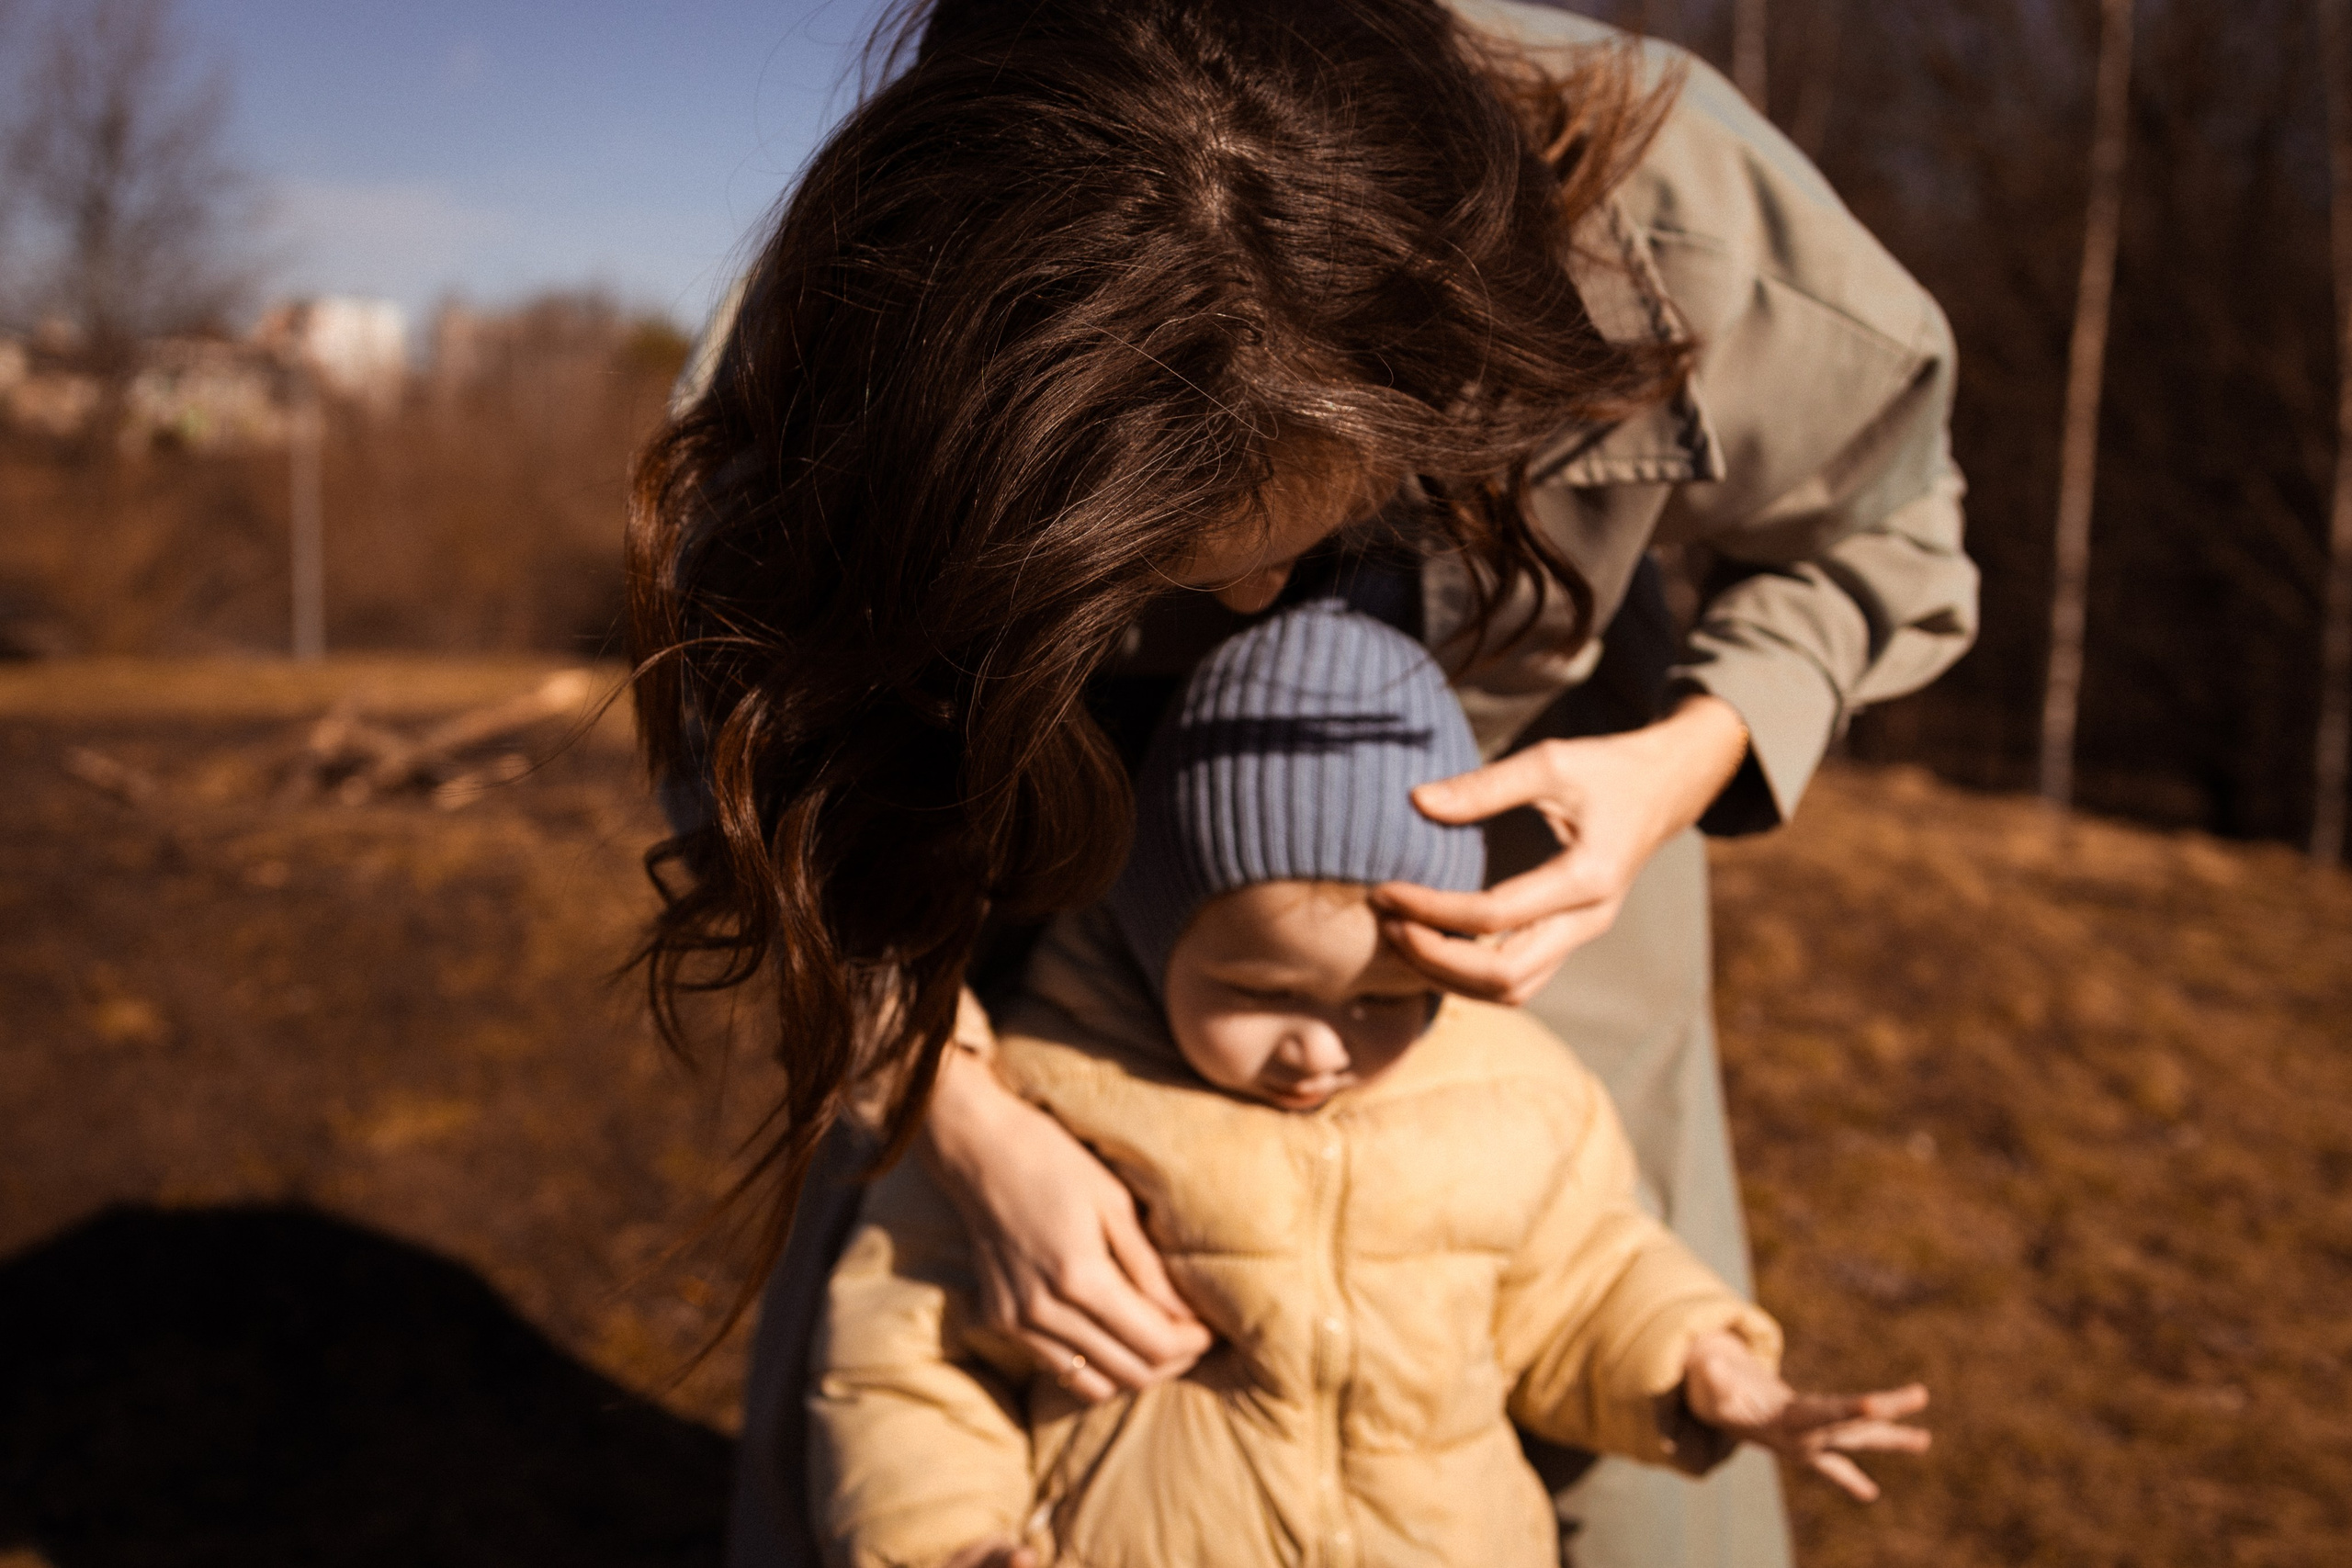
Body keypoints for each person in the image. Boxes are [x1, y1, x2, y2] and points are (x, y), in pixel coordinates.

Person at [627, 2, 1977, 1564]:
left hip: (1535, 815)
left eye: (1295, 528)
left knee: (1649, 1496)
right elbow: (762, 753)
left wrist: (1687, 760)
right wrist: (956, 1114)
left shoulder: (1686, 229)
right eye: (1181, 562)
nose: (1252, 604)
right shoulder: (862, 319)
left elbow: (1893, 524)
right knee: (872, 1394)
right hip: (1013, 815)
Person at [807, 601, 1929, 1568]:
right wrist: (949, 1540)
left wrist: (1706, 1364)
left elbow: (1584, 1284)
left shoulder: (1517, 1096)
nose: (1319, 1047)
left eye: (1383, 1000)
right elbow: (908, 1351)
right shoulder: (1048, 1095)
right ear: (1155, 939)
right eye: (1260, 990)